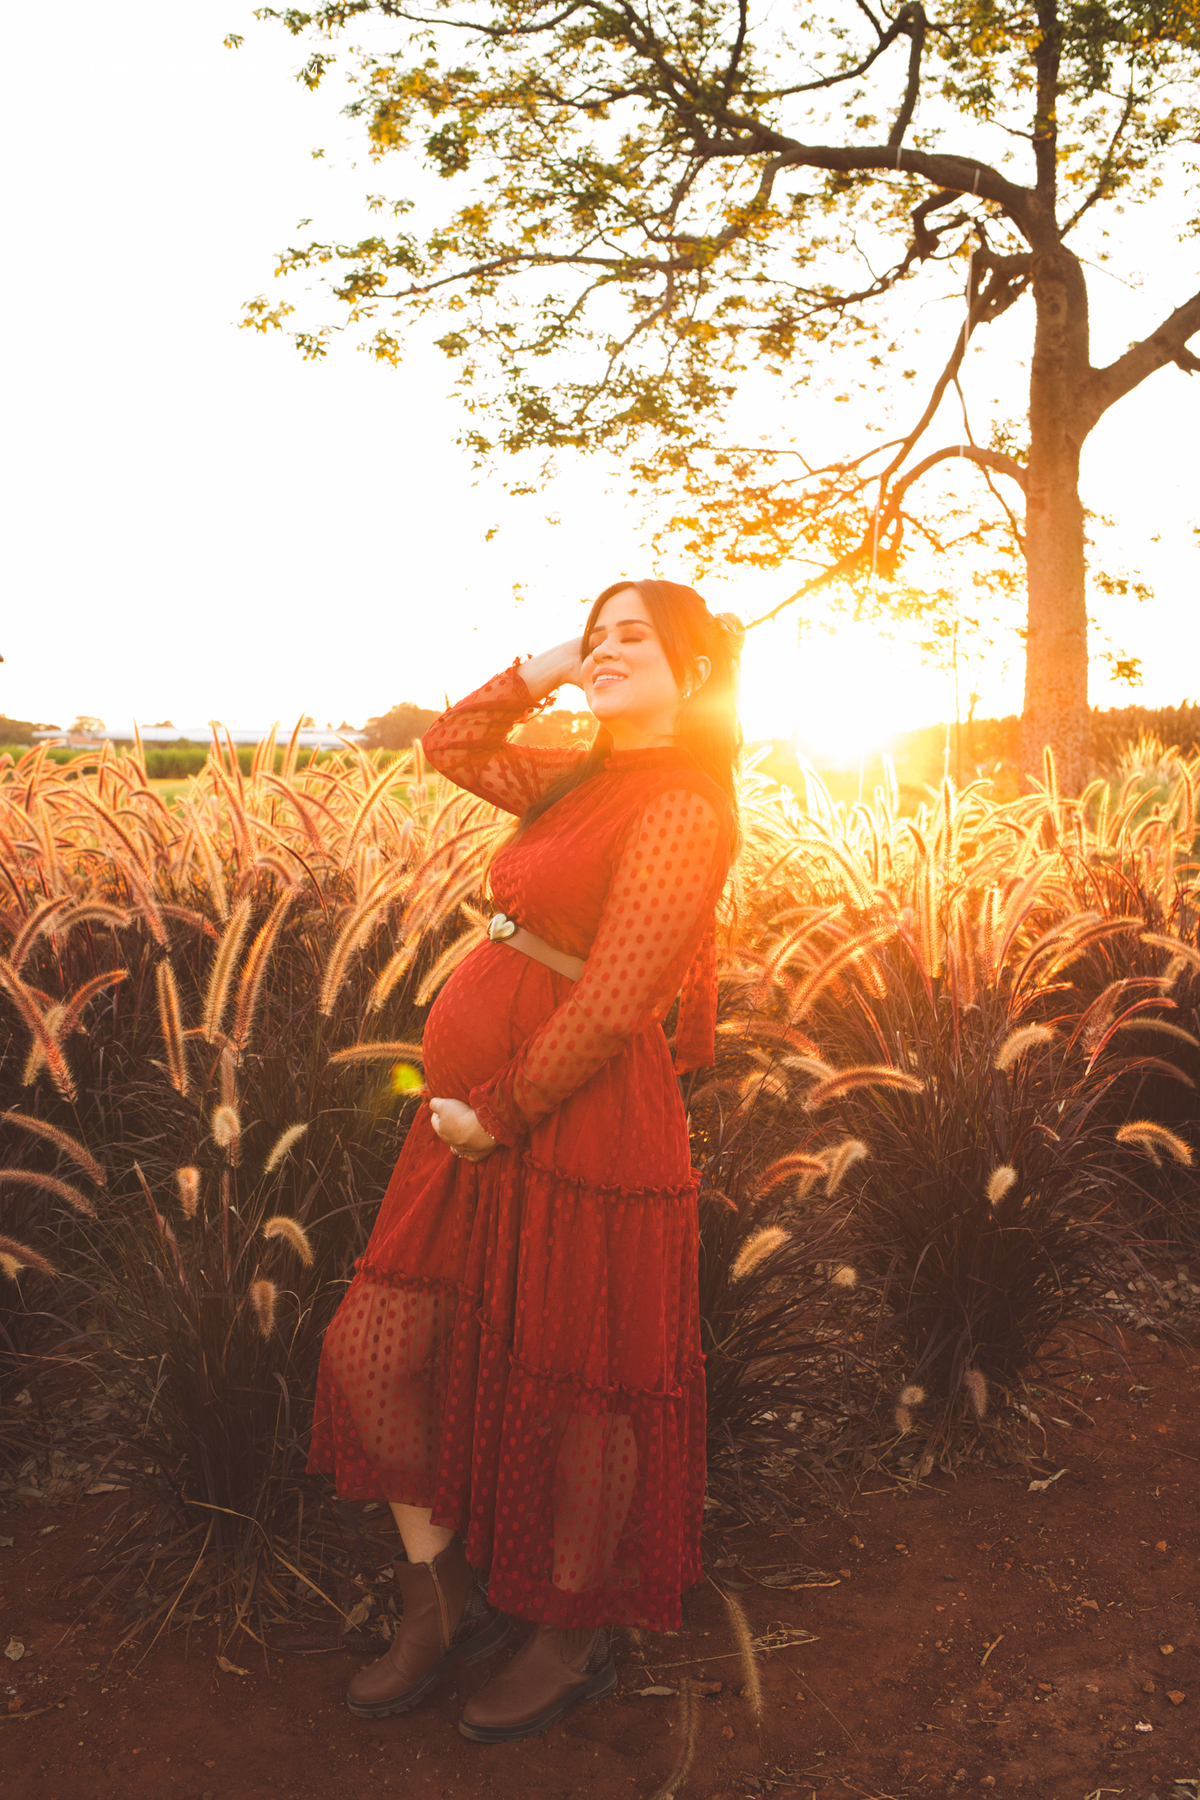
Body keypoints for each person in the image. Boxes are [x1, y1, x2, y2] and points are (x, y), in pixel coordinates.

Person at [307, 577, 742, 1743]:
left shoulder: (685, 804)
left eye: (633, 639)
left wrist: (500, 1113)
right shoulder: (576, 778)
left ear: (694, 671)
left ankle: (568, 1629)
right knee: (375, 1348)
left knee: (577, 1382)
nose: (607, 652)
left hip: (574, 1123)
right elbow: (452, 741)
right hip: (471, 1118)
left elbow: (616, 1002)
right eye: (598, 635)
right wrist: (551, 663)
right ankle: (440, 1593)